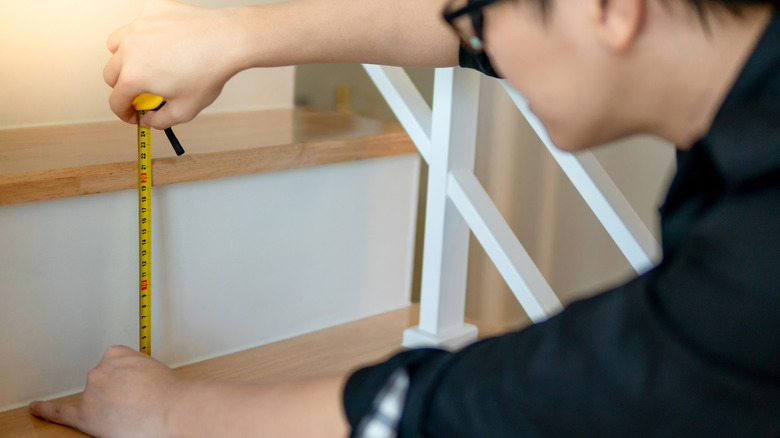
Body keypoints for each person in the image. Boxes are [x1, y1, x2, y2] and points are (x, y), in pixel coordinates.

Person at [29, 0, 780, 436]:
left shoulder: (754, 259)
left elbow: (501, 403)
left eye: (480, 21)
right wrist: (237, 36)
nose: (478, 47)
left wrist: (173, 414)